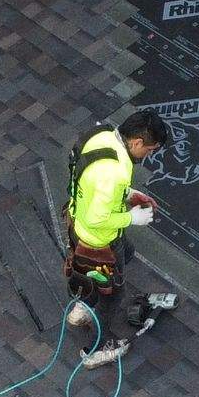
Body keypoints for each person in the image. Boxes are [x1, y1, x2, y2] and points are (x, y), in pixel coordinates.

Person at [63, 112, 171, 368]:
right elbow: (97, 218)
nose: (148, 155)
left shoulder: (101, 136)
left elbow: (90, 180)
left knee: (128, 252)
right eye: (150, 149)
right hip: (99, 244)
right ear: (136, 142)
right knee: (111, 297)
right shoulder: (115, 173)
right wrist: (130, 218)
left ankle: (82, 307)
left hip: (76, 227)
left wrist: (128, 195)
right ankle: (96, 350)